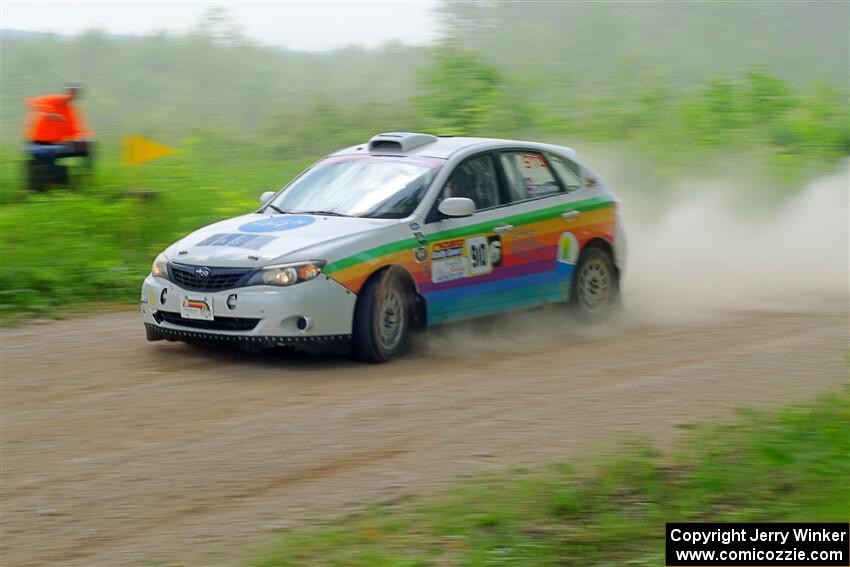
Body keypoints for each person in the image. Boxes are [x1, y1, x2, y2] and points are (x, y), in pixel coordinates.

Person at [23, 84, 94, 191]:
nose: (72, 95)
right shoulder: (53, 100)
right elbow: (30, 101)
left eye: (75, 93)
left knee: (87, 147)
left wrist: (84, 137)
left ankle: (86, 179)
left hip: (57, 145)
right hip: (36, 145)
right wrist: (49, 113)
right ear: (65, 92)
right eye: (70, 92)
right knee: (50, 153)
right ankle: (53, 186)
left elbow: (74, 131)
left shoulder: (70, 111)